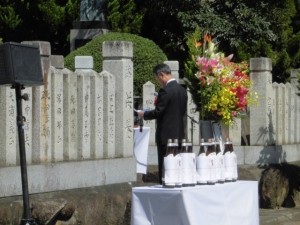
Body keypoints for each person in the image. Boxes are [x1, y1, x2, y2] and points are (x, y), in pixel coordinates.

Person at [137, 63, 188, 184]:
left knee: (166, 167)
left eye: (157, 78)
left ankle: (165, 188)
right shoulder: (182, 90)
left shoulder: (165, 91)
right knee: (176, 164)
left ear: (162, 75)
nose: (158, 81)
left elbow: (159, 111)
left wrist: (144, 114)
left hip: (166, 135)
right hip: (179, 134)